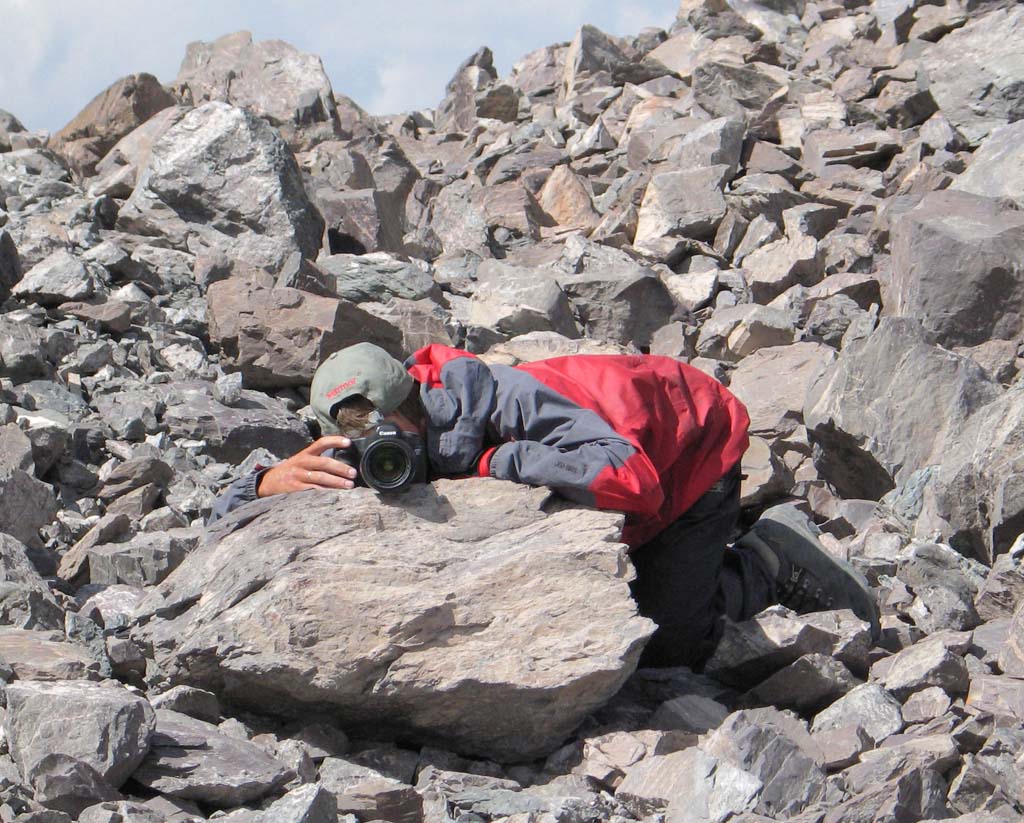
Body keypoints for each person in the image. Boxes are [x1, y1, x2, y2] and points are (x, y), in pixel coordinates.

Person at [210, 342, 879, 668]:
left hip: (687, 447)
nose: (382, 452)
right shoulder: (366, 449)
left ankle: (765, 559)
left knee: (667, 647)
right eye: (361, 439)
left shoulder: (506, 400)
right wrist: (266, 485)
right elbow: (218, 525)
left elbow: (634, 482)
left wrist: (496, 465)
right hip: (626, 461)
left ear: (415, 398)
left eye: (390, 430)